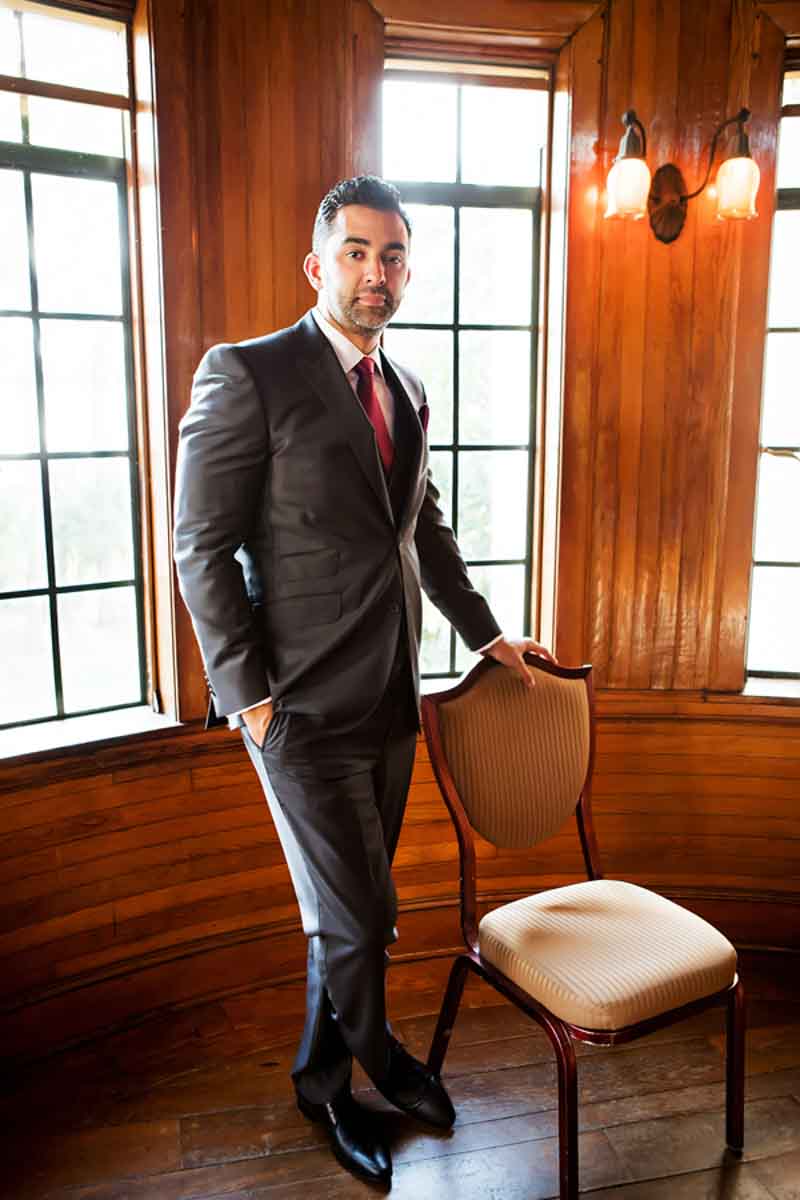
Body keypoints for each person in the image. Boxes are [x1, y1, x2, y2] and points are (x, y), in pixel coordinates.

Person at [174, 175, 553, 1186]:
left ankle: (318, 1071)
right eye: (354, 253)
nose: (374, 272)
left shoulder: (406, 389)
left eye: (389, 256)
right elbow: (199, 548)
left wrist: (485, 636)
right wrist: (248, 698)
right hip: (292, 709)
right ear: (317, 264)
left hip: (391, 698)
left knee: (351, 911)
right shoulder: (246, 374)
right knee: (362, 916)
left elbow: (421, 531)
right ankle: (366, 1069)